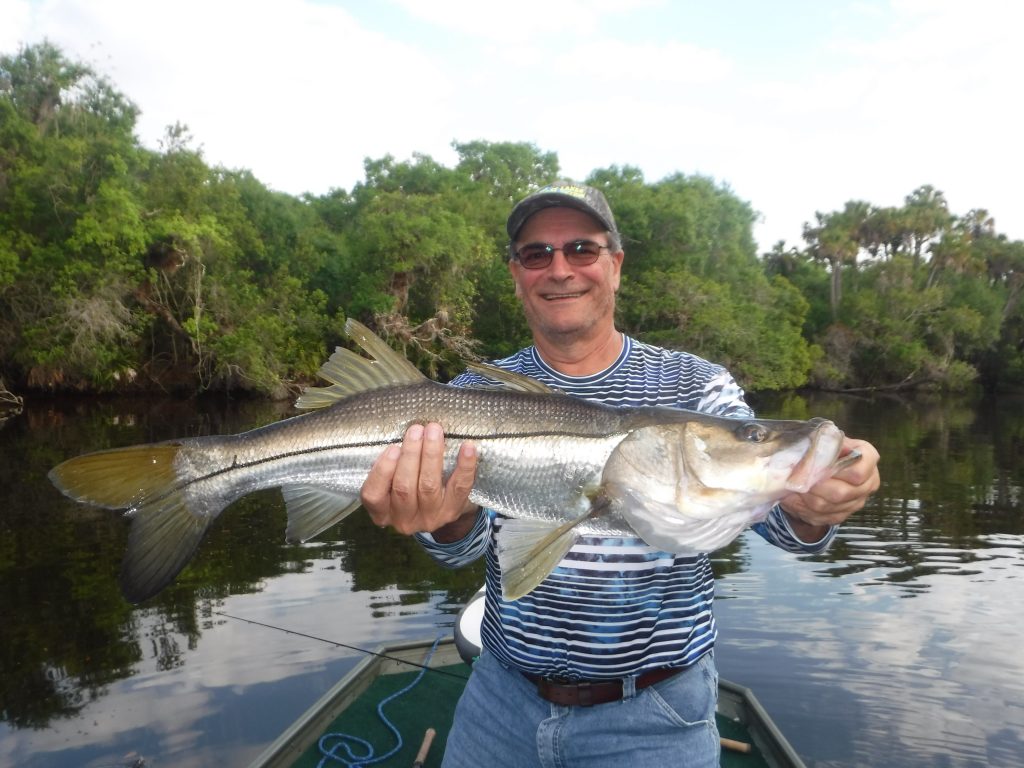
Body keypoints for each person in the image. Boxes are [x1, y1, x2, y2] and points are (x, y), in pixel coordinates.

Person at [360, 181, 881, 768]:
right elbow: (466, 548)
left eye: (582, 249)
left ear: (616, 265)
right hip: (499, 703)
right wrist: (444, 524)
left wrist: (818, 502)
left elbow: (785, 529)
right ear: (517, 274)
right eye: (538, 254)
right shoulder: (474, 394)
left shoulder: (695, 388)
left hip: (655, 721)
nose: (560, 269)